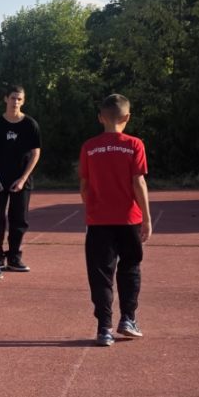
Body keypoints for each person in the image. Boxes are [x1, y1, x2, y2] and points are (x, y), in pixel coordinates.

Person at [78, 95, 151, 347]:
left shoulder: (89, 147)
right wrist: (147, 218)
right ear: (127, 117)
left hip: (98, 221)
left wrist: (92, 207)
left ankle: (104, 328)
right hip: (129, 219)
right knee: (130, 266)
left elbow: (84, 185)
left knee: (100, 273)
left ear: (101, 118)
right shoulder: (134, 145)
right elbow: (138, 182)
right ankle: (128, 318)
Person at [0, 84, 41, 272]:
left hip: (21, 180)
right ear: (6, 99)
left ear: (23, 101)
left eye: (19, 99)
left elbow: (35, 153)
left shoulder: (30, 125)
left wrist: (23, 178)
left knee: (19, 219)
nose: (16, 102)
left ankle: (14, 257)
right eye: (13, 98)